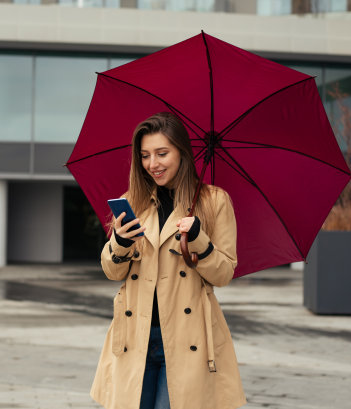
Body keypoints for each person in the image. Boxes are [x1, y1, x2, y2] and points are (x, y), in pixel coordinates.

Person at [90, 112, 246, 409]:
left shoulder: (214, 201)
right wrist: (121, 241)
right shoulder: (132, 200)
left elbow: (224, 273)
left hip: (189, 340)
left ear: (182, 153)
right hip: (134, 337)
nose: (153, 164)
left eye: (162, 153)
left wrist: (199, 238)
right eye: (145, 155)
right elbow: (112, 271)